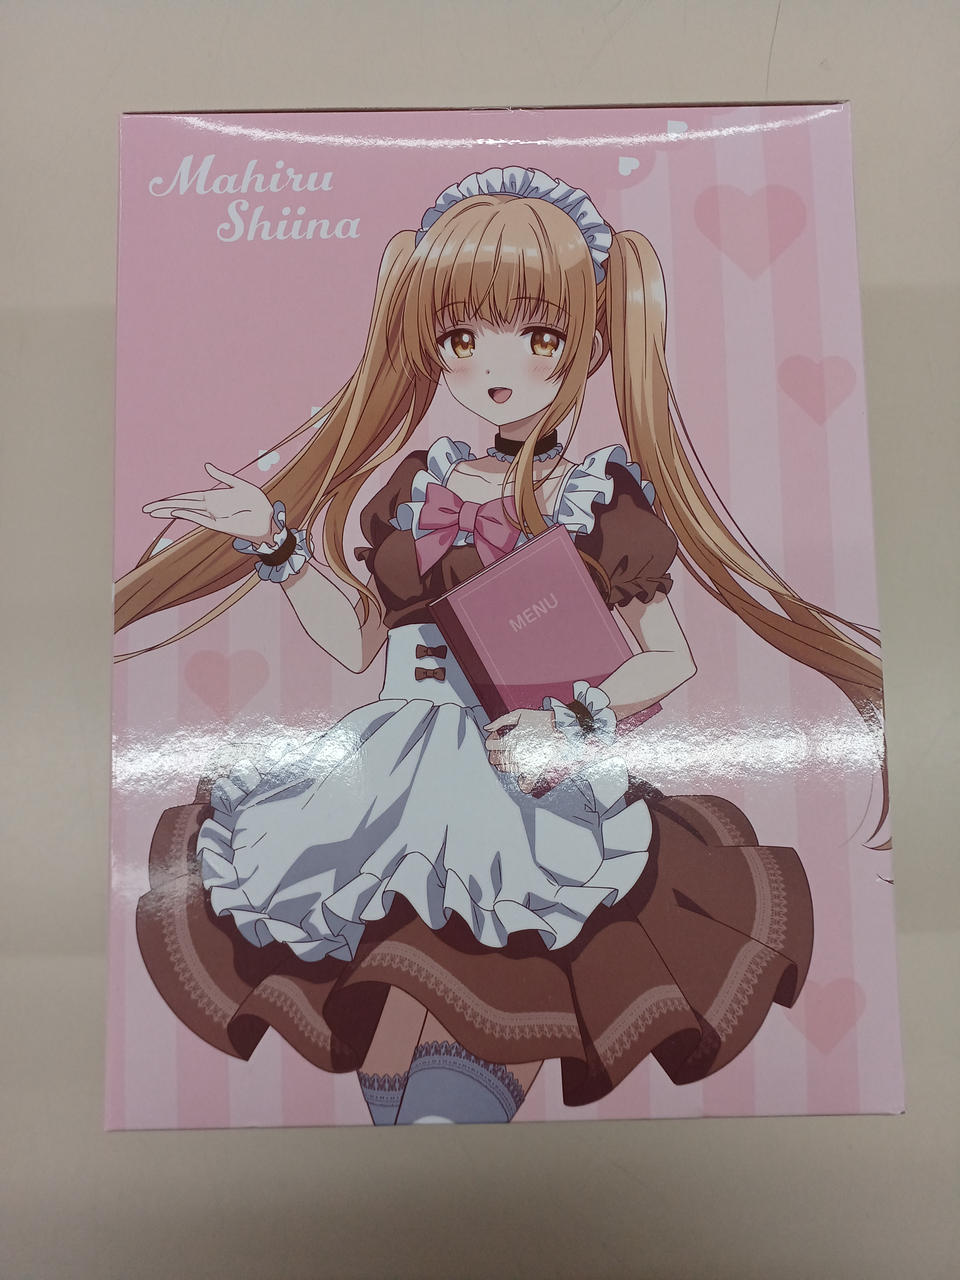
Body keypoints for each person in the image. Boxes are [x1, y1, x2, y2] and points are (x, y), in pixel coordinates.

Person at [115, 167, 882, 1125]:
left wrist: (572, 723)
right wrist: (273, 545)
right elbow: (360, 642)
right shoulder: (418, 486)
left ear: (589, 341)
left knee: (471, 1040)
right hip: (385, 776)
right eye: (462, 336)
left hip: (513, 789)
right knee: (391, 1046)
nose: (493, 364)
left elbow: (668, 657)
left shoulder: (596, 497)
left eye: (539, 335)